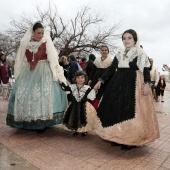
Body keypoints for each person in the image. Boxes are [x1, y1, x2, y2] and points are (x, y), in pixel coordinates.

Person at [94, 29, 160, 150]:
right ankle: (119, 137)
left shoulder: (141, 53)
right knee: (116, 109)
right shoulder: (119, 53)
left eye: (129, 38)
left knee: (130, 110)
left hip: (134, 83)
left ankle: (130, 140)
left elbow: (146, 69)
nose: (126, 40)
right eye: (124, 38)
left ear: (135, 39)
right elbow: (112, 68)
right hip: (118, 83)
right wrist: (100, 80)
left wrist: (147, 84)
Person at [6, 22, 68, 132]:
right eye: (39, 33)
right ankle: (29, 121)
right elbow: (20, 60)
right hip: (28, 71)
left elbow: (53, 59)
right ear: (33, 32)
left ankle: (43, 122)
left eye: (42, 33)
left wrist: (58, 74)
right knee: (25, 94)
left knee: (43, 95)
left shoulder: (46, 41)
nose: (41, 35)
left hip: (44, 71)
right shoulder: (25, 43)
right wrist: (18, 74)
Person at [60, 71, 96, 136]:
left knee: (84, 118)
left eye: (82, 78)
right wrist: (61, 82)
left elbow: (91, 95)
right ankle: (76, 129)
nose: (80, 79)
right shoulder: (71, 86)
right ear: (75, 79)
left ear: (85, 79)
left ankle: (83, 130)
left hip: (84, 105)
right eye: (78, 78)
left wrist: (95, 89)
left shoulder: (87, 88)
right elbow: (65, 88)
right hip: (73, 105)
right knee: (74, 117)